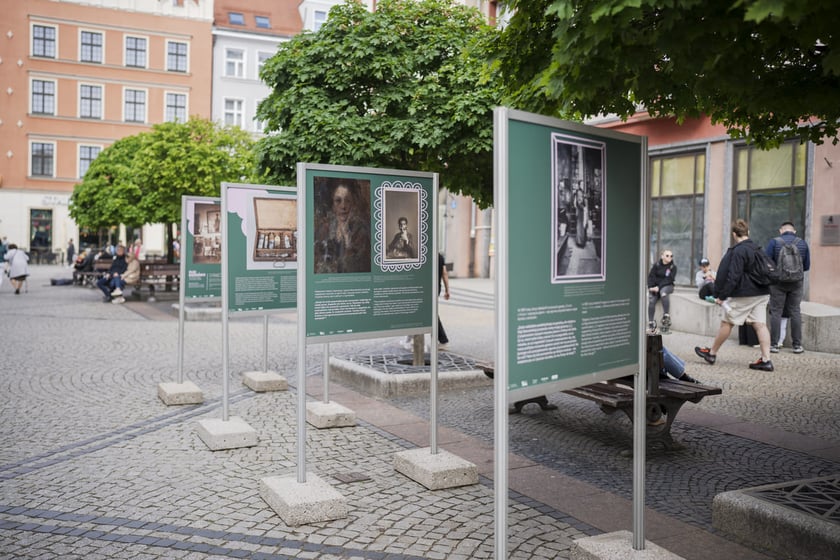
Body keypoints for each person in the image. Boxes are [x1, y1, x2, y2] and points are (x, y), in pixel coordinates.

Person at [695, 219, 773, 371]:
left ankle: (711, 353)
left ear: (734, 234)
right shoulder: (757, 248)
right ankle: (766, 360)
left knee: (727, 323)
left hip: (745, 293)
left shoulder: (738, 251)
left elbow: (733, 276)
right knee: (760, 325)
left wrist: (721, 296)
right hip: (763, 292)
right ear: (748, 232)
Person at [764, 221, 810, 354]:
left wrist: (776, 274)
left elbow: (766, 262)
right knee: (795, 311)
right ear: (794, 231)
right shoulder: (802, 243)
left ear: (781, 230)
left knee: (776, 312)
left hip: (778, 283)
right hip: (796, 283)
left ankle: (774, 345)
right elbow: (806, 266)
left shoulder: (774, 242)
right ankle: (797, 345)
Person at [314, 182, 370, 273]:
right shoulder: (325, 228)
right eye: (338, 201)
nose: (343, 206)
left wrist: (347, 240)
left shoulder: (360, 230)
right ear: (333, 205)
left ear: (353, 204)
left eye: (347, 201)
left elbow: (359, 267)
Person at [647, 249, 677, 330]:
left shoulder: (673, 267)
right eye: (667, 255)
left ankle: (666, 317)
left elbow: (669, 279)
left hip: (668, 286)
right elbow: (651, 277)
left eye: (671, 256)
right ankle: (651, 322)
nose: (670, 257)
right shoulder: (656, 265)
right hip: (656, 287)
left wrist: (658, 287)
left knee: (663, 293)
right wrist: (651, 287)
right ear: (662, 256)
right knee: (651, 301)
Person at [438, 253, 450, 345]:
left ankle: (443, 340)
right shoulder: (440, 256)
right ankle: (409, 339)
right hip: (436, 288)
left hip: (425, 289)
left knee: (431, 315)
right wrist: (447, 290)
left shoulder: (425, 254)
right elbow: (444, 273)